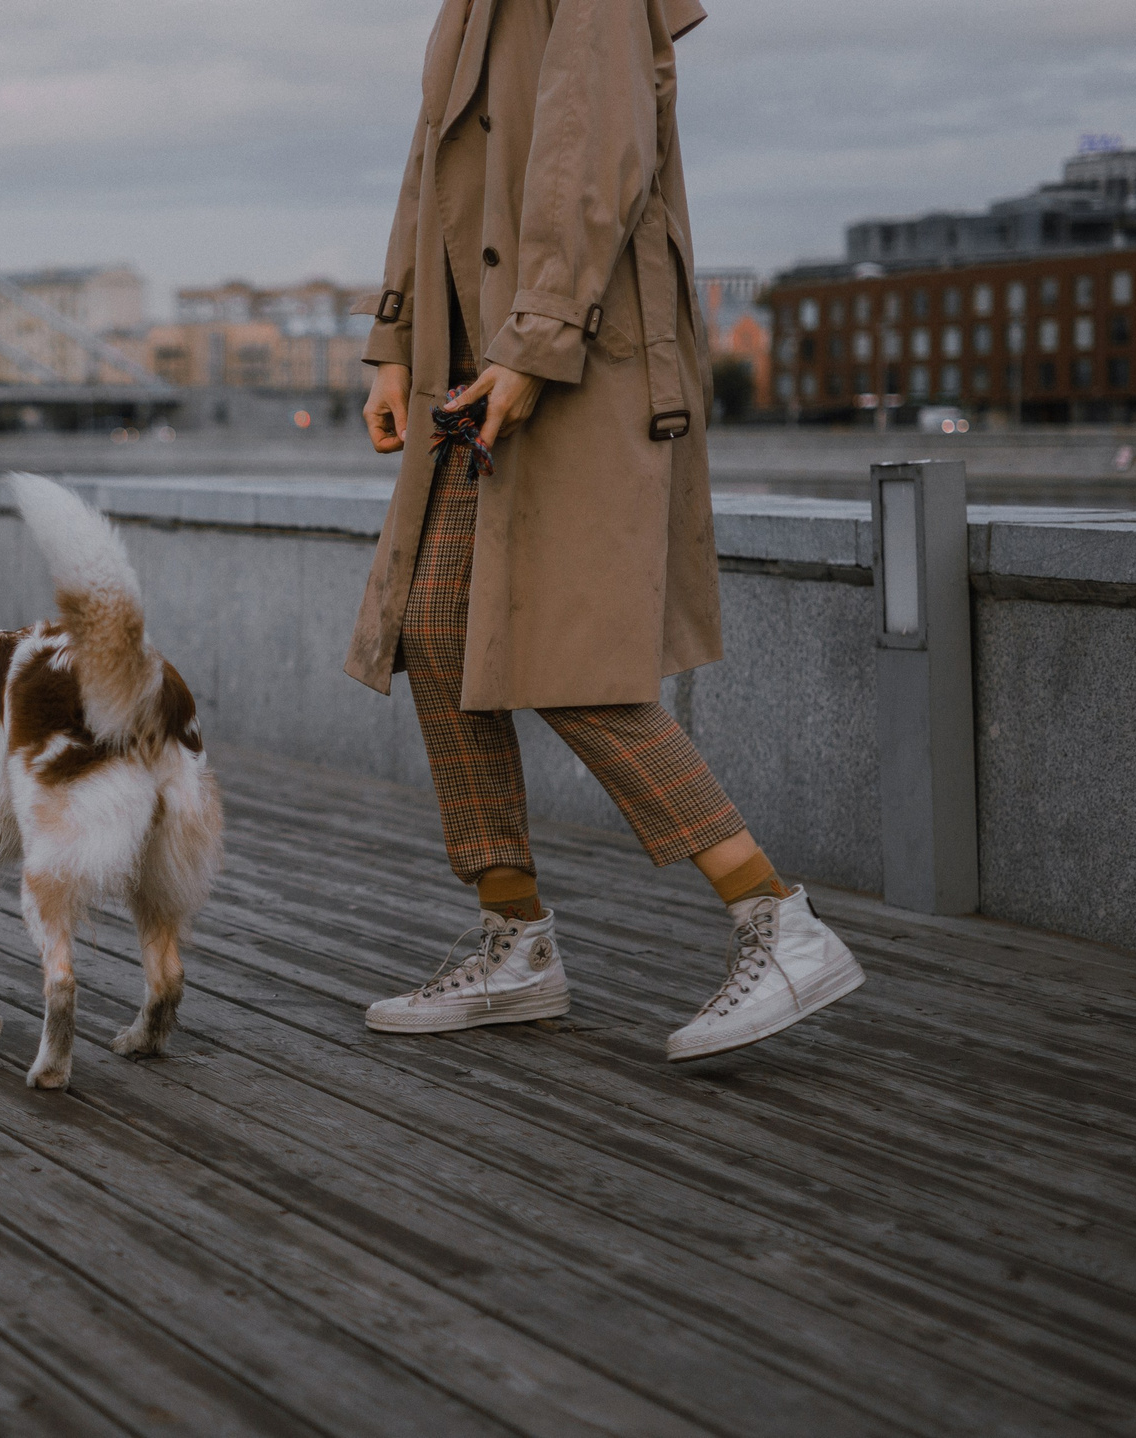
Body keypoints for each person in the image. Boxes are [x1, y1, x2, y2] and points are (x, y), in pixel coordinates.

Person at [346, 0, 864, 1061]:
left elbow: (596, 154)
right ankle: (516, 944)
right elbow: (426, 167)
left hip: (574, 356)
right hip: (473, 362)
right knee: (435, 631)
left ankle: (780, 923)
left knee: (571, 655)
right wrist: (394, 340)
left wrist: (536, 340)